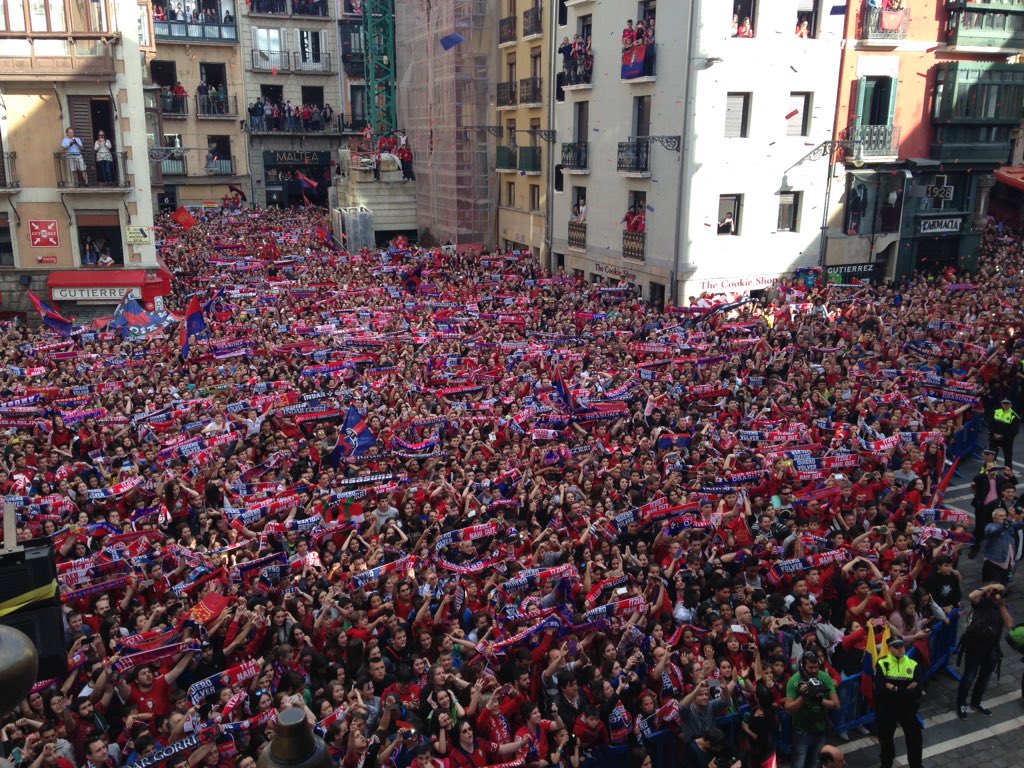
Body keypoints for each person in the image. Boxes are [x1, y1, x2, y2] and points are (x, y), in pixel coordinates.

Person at [957, 582, 1014, 719]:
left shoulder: (1003, 606)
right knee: (969, 677)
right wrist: (990, 587)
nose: (994, 595)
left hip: (991, 648)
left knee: (984, 678)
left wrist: (1001, 605)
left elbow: (1009, 623)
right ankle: (961, 703)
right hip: (975, 646)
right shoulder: (981, 602)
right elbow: (972, 596)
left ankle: (976, 702)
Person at [873, 636, 923, 768]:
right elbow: (880, 692)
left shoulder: (913, 664)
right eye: (896, 647)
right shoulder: (882, 664)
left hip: (907, 709)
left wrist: (894, 688)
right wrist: (905, 690)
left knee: (915, 740)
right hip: (887, 710)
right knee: (886, 740)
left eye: (902, 646)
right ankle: (886, 765)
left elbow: (916, 693)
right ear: (889, 649)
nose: (900, 649)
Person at [784, 652, 840, 768]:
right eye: (811, 668)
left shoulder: (824, 677)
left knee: (816, 763)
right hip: (802, 731)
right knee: (799, 763)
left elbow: (836, 705)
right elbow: (788, 709)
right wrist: (804, 697)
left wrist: (819, 699)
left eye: (816, 667)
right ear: (803, 666)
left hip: (821, 729)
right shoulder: (794, 681)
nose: (814, 670)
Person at [982, 506, 1024, 585]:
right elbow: (995, 531)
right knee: (993, 589)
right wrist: (1006, 523)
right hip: (994, 564)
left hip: (1007, 564)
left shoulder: (1009, 527)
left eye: (1005, 515)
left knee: (1003, 586)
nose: (1004, 517)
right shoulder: (990, 526)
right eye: (1001, 516)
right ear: (994, 518)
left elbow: (1020, 525)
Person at [989, 397, 1020, 467]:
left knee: (1008, 459)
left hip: (1006, 441)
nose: (1005, 405)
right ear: (1001, 403)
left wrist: (1002, 436)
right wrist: (994, 433)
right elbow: (991, 424)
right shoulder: (996, 412)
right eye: (1004, 403)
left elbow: (1014, 431)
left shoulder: (1014, 416)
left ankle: (1008, 476)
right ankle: (989, 474)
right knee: (991, 458)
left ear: (1011, 404)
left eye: (1007, 403)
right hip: (994, 438)